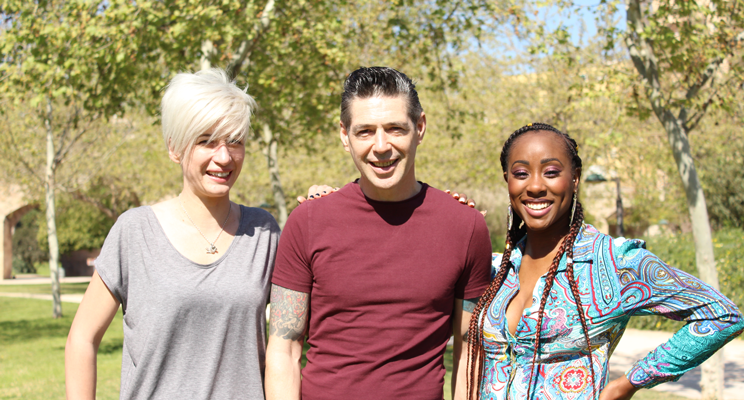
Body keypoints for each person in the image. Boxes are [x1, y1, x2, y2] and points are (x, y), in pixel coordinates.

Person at [465, 122, 744, 400]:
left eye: (551, 172)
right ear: (508, 180)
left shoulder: (612, 262)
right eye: (521, 173)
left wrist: (628, 383)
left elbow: (721, 315)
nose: (535, 185)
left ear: (575, 178)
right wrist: (454, 223)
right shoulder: (496, 269)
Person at [265, 67, 493, 400]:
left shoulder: (465, 226)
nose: (381, 146)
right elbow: (284, 349)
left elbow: (470, 351)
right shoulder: (308, 222)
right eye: (365, 132)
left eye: (395, 128)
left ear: (420, 127)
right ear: (345, 135)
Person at [65, 69, 280, 400]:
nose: (224, 157)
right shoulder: (135, 232)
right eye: (206, 141)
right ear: (175, 148)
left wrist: (323, 210)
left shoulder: (263, 232)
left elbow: (305, 332)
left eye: (235, 141)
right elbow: (82, 338)